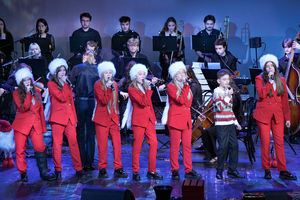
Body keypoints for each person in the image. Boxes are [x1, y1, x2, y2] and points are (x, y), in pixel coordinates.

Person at [253, 54, 297, 180]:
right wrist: (270, 82)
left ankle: (283, 170)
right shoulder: (259, 79)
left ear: (275, 67)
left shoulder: (281, 80)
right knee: (265, 143)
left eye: (272, 65)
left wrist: (287, 118)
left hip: (277, 115)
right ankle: (267, 169)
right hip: (263, 115)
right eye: (267, 66)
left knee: (280, 143)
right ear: (264, 68)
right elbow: (261, 94)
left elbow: (284, 101)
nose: (270, 68)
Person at [12, 67, 55, 182]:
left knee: (40, 147)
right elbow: (23, 108)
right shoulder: (16, 93)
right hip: (21, 125)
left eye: (29, 79)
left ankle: (44, 172)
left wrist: (43, 127)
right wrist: (26, 93)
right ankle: (23, 173)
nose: (27, 82)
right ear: (20, 81)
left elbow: (40, 110)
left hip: (35, 125)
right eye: (24, 80)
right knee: (20, 150)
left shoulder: (36, 93)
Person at [122, 63, 162, 181]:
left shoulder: (145, 86)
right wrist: (149, 90)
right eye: (140, 74)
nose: (143, 76)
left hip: (149, 119)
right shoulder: (132, 88)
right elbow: (142, 102)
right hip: (139, 120)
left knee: (154, 144)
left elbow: (149, 105)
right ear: (135, 75)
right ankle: (135, 171)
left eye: (144, 74)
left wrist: (154, 119)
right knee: (137, 147)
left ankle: (152, 170)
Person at [162, 61, 201, 180]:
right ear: (174, 75)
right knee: (175, 146)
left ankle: (188, 169)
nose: (182, 75)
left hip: (186, 120)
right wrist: (185, 87)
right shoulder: (171, 87)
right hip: (175, 120)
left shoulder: (186, 87)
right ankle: (175, 170)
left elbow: (188, 103)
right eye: (179, 73)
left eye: (183, 73)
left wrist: (186, 86)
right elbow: (181, 100)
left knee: (187, 146)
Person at [47, 58, 84, 180]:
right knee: (57, 145)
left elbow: (70, 102)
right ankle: (58, 170)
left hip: (69, 118)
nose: (63, 73)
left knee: (74, 143)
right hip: (57, 118)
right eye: (60, 71)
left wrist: (74, 118)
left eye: (64, 70)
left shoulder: (67, 84)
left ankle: (78, 169)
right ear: (55, 73)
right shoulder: (51, 84)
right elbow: (62, 98)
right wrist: (64, 85)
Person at [93, 61, 128, 179]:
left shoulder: (115, 85)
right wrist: (108, 88)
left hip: (113, 118)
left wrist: (117, 91)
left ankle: (118, 167)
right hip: (102, 119)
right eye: (106, 73)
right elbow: (103, 101)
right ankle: (102, 168)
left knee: (117, 144)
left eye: (110, 73)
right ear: (102, 74)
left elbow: (115, 101)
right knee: (102, 146)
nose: (108, 75)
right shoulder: (98, 85)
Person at [70, 49, 99, 171]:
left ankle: (81, 161)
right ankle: (90, 162)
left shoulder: (77, 68)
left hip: (80, 101)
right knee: (91, 133)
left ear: (84, 57)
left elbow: (71, 82)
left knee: (81, 132)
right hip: (92, 101)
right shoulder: (98, 69)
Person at [213, 69, 244, 179]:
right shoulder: (217, 91)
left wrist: (236, 123)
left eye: (228, 79)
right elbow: (220, 107)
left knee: (234, 145)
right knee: (223, 147)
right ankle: (220, 170)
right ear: (218, 81)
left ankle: (232, 169)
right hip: (221, 124)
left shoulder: (228, 91)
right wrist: (227, 95)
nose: (227, 82)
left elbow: (229, 109)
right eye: (224, 79)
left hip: (230, 122)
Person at [159, 17, 185, 82]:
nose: (171, 27)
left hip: (175, 56)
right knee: (165, 70)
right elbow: (160, 47)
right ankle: (164, 82)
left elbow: (182, 47)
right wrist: (165, 56)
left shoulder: (178, 33)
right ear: (166, 25)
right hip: (165, 56)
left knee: (175, 72)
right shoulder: (162, 34)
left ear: (175, 25)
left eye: (173, 25)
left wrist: (178, 46)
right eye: (169, 25)